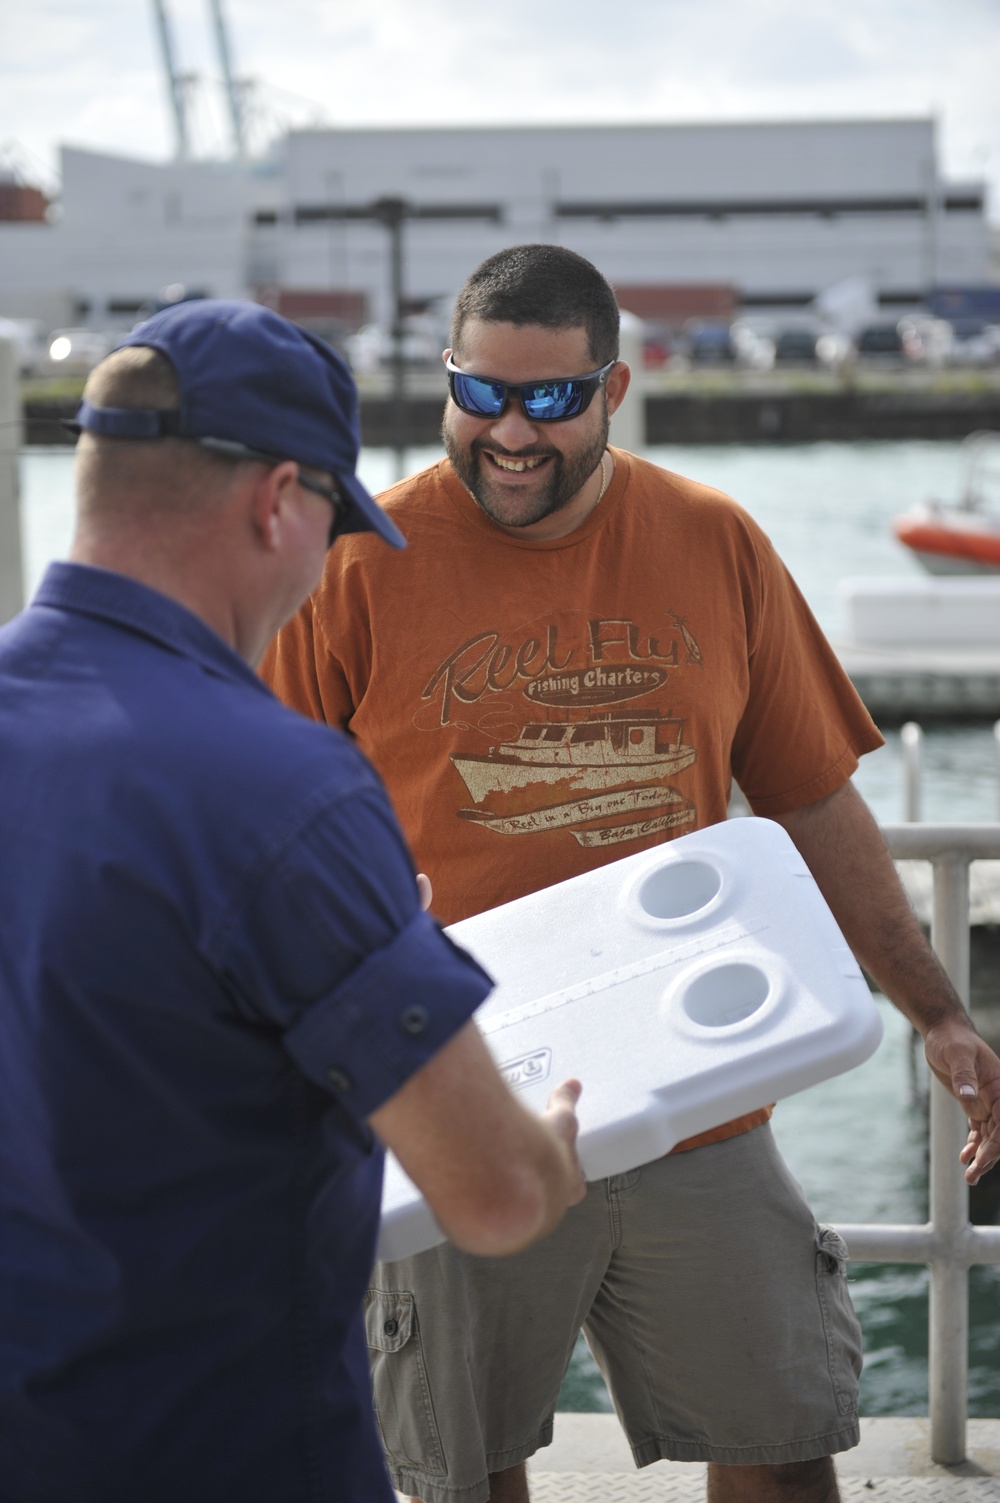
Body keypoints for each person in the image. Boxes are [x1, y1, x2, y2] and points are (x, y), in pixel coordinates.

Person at [262, 246, 1000, 1503]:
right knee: (460, 1472)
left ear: (609, 391)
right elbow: (261, 838)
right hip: (456, 1092)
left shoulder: (715, 542)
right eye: (476, 390)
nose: (507, 430)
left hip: (693, 1086)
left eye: (547, 399)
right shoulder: (353, 562)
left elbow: (810, 796)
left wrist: (931, 1008)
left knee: (779, 1443)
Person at [0, 298, 587, 1503]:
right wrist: (555, 1148)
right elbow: (494, 1195)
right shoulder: (287, 794)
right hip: (226, 1448)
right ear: (277, 501)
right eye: (331, 522)